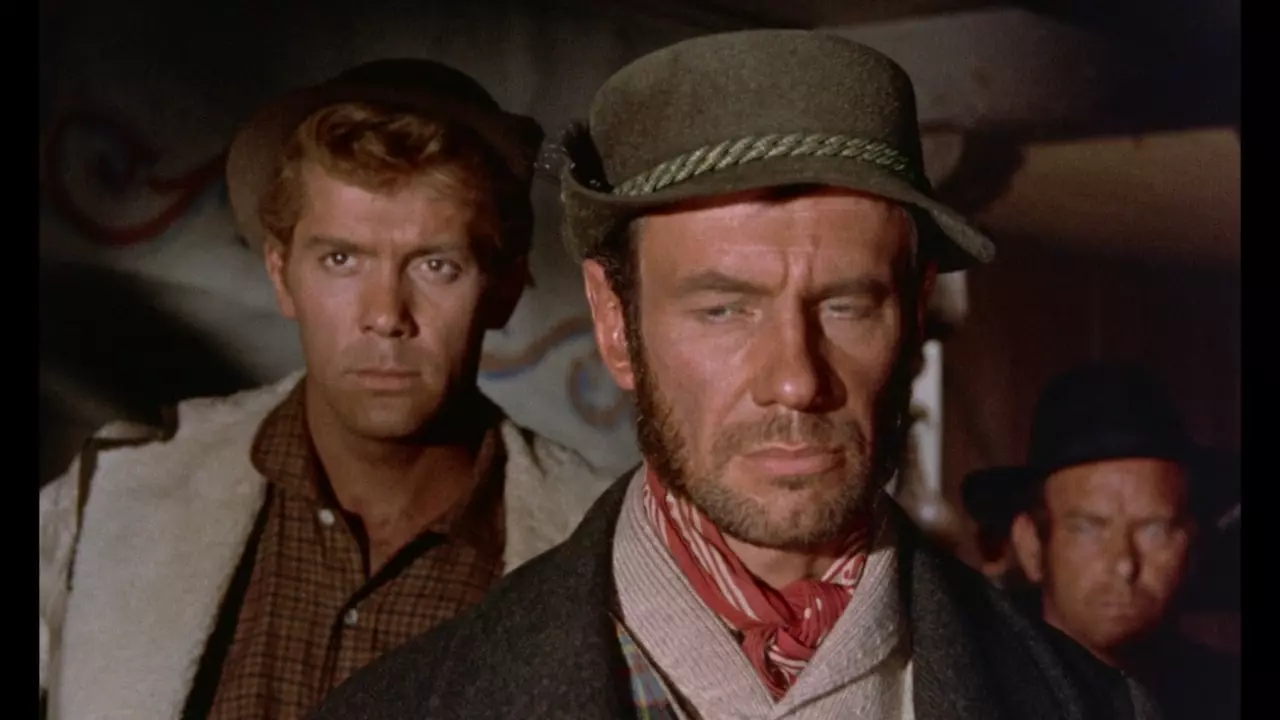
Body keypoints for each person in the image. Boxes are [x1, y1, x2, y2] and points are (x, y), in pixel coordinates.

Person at [311, 31, 1158, 719]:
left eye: (846, 306)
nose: (795, 381)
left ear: (914, 312)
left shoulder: (1092, 705)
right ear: (616, 321)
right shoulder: (404, 706)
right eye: (724, 309)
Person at [38, 58, 614, 720]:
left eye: (436, 265)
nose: (386, 314)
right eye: (341, 259)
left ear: (503, 290)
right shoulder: (115, 494)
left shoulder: (596, 553)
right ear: (282, 275)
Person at [1006, 363, 1241, 720]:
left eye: (1154, 529)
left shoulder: (1229, 697)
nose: (1124, 563)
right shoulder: (971, 694)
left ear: (1194, 546)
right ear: (1031, 547)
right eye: (1088, 528)